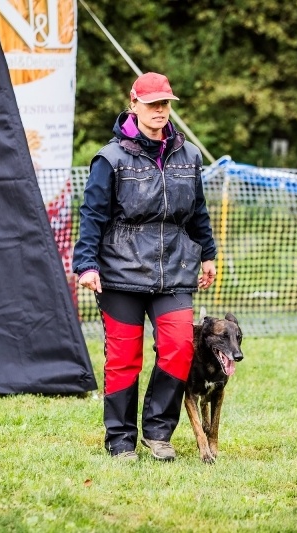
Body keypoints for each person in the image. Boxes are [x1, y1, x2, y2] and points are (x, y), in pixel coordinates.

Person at [73, 72, 217, 461]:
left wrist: (208, 254)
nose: (159, 111)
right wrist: (86, 264)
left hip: (175, 268)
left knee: (179, 349)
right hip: (120, 272)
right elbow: (92, 214)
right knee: (123, 358)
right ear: (133, 102)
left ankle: (158, 433)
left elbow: (198, 211)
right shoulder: (110, 158)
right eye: (152, 103)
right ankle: (120, 439)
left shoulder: (188, 156)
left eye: (165, 104)